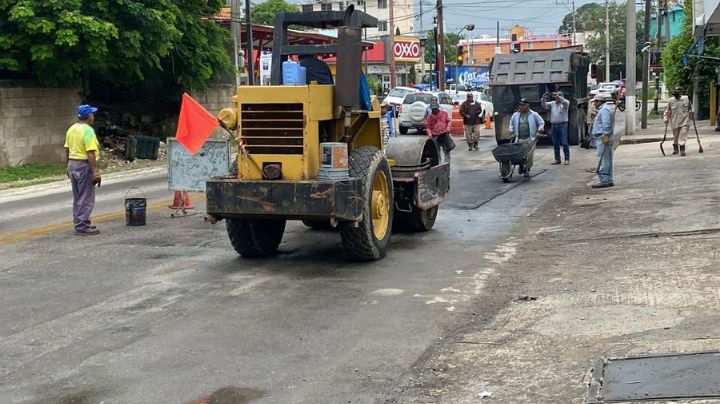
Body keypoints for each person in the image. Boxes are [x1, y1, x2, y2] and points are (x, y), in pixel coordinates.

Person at [64, 104, 102, 235]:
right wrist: (95, 171)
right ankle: (82, 226)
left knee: (78, 196)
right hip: (83, 166)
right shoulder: (88, 131)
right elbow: (90, 153)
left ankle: (80, 222)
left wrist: (67, 165)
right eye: (92, 114)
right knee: (86, 197)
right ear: (89, 116)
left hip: (73, 165)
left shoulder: (71, 129)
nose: (93, 116)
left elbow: (67, 149)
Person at [509, 98, 544, 178]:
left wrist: (539, 131)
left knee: (529, 156)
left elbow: (541, 122)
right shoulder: (515, 115)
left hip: (530, 139)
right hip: (519, 139)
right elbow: (511, 123)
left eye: (523, 105)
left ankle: (527, 169)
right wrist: (511, 131)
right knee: (519, 155)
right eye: (520, 105)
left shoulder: (534, 114)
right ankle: (521, 166)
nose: (520, 107)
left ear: (527, 105)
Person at [590, 94, 615, 188]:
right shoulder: (604, 109)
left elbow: (606, 124)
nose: (594, 104)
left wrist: (605, 136)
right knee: (607, 158)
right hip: (604, 136)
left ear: (599, 101)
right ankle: (608, 179)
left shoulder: (604, 110)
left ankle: (604, 180)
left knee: (603, 159)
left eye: (595, 102)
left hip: (603, 137)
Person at [541, 91, 571, 165]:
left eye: (558, 97)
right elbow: (544, 105)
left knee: (564, 142)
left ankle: (567, 159)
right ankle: (557, 159)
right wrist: (543, 98)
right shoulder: (552, 103)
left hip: (563, 125)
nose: (556, 98)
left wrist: (559, 96)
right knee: (555, 143)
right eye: (556, 97)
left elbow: (565, 102)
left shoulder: (565, 103)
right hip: (554, 125)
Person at [664, 86, 693, 156]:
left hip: (685, 120)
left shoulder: (686, 98)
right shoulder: (671, 100)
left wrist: (691, 112)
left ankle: (682, 149)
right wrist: (665, 118)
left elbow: (691, 108)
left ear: (681, 93)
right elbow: (667, 110)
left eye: (679, 91)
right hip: (674, 121)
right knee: (676, 136)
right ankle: (675, 147)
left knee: (683, 133)